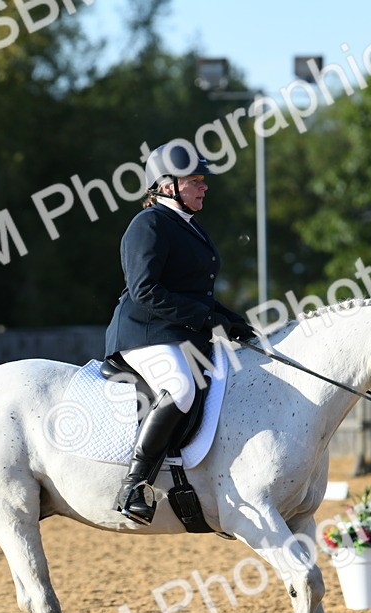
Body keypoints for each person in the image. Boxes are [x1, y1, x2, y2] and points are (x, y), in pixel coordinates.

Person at [103, 141, 255, 524]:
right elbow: (145, 291)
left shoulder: (188, 226)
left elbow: (195, 293)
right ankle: (135, 485)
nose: (204, 186)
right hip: (145, 332)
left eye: (203, 180)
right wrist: (207, 319)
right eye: (196, 180)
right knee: (181, 387)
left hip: (180, 334)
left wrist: (230, 318)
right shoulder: (149, 224)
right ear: (167, 185)